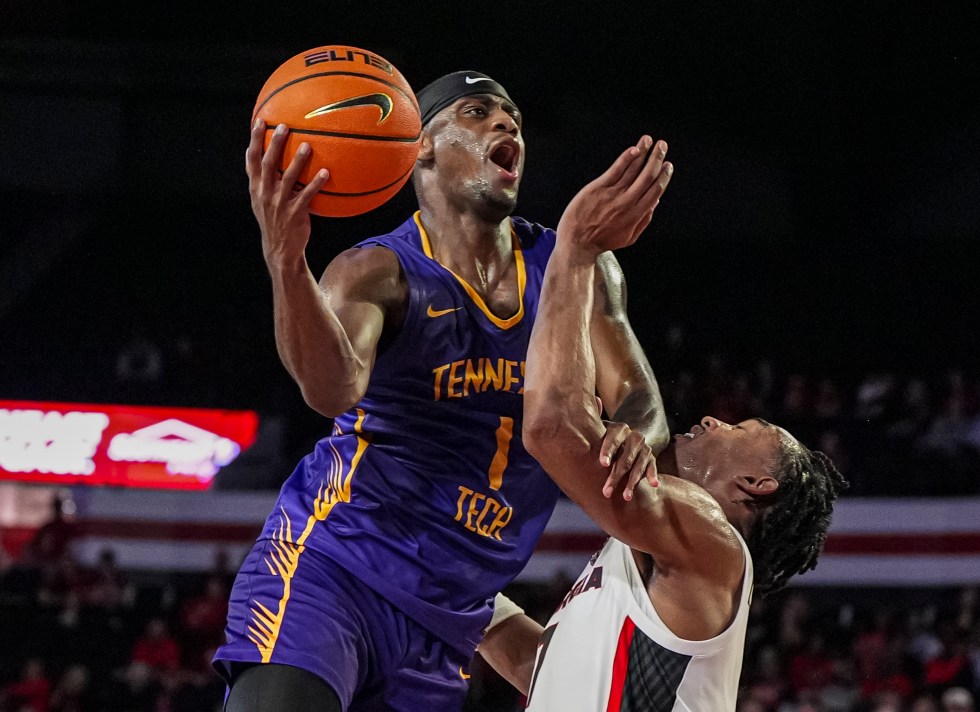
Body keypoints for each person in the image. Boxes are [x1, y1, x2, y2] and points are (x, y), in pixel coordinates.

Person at [212, 69, 668, 711]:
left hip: (451, 617)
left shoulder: (570, 266)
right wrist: (286, 262)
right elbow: (332, 390)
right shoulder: (375, 270)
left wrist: (634, 436)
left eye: (512, 117)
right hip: (335, 566)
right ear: (418, 144)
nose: (507, 125)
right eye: (478, 112)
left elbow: (641, 403)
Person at [475, 144, 846, 709]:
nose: (712, 418)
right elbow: (543, 668)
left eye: (742, 427)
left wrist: (574, 249)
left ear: (757, 485)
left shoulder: (716, 545)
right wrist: (459, 583)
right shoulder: (650, 568)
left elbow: (551, 429)